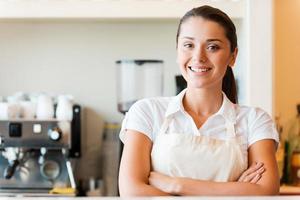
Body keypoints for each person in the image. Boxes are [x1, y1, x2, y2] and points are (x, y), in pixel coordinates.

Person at [118, 5, 279, 196]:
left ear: (233, 56)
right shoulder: (147, 111)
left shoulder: (255, 120)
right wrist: (234, 190)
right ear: (177, 49)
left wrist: (177, 185)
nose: (198, 57)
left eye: (213, 47)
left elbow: (266, 191)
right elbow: (132, 192)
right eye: (189, 45)